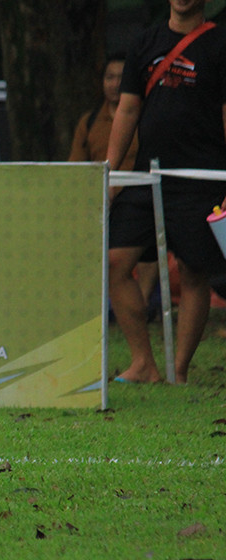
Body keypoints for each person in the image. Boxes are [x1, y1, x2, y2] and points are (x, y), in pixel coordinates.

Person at [107, 0, 226, 384]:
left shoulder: (219, 44)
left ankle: (178, 370)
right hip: (149, 175)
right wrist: (109, 174)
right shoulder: (145, 41)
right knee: (115, 262)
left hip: (202, 177)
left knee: (194, 271)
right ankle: (144, 363)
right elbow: (127, 110)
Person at [69, 54, 157, 319]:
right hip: (100, 200)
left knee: (145, 254)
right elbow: (76, 165)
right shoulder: (89, 121)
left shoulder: (145, 119)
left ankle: (139, 307)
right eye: (110, 77)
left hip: (137, 197)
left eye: (121, 77)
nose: (115, 83)